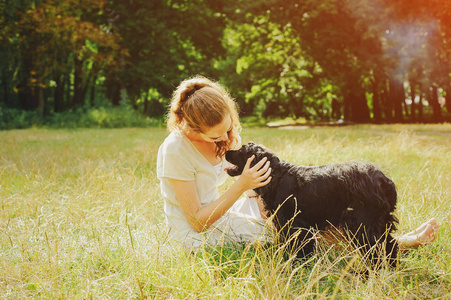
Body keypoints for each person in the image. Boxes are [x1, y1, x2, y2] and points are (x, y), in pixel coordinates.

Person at [157, 75, 439, 251]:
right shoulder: (175, 151)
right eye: (217, 134)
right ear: (192, 129)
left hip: (225, 209)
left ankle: (380, 238)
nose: (229, 138)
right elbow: (196, 221)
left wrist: (259, 196)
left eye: (229, 128)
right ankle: (396, 245)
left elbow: (252, 181)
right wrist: (243, 185)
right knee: (294, 233)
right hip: (197, 233)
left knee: (295, 209)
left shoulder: (224, 134)